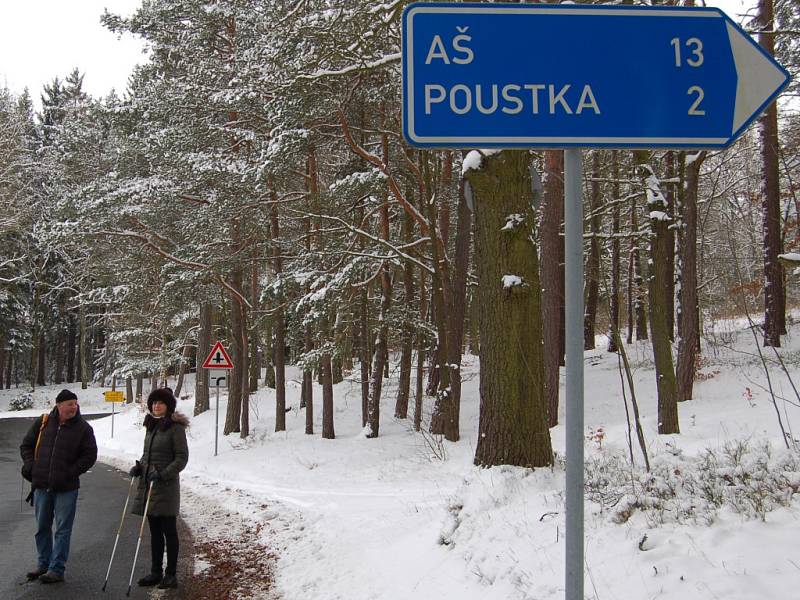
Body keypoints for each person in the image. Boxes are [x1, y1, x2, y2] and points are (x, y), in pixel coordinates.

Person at [19, 389, 98, 584]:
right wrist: (31, 465)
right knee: (42, 528)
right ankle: (43, 564)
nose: (74, 407)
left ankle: (56, 569)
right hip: (41, 486)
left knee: (63, 530)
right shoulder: (43, 422)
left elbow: (89, 456)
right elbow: (26, 446)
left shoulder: (83, 428)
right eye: (69, 404)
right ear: (58, 405)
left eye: (75, 403)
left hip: (67, 488)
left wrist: (70, 473)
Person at [129, 387, 189, 589]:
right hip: (149, 485)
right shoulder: (152, 425)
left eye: (160, 403)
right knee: (154, 532)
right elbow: (148, 454)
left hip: (166, 487)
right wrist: (140, 467)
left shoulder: (175, 428)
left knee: (169, 531)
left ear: (168, 406)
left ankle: (171, 574)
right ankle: (156, 572)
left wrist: (163, 474)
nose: (156, 406)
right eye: (154, 403)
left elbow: (181, 458)